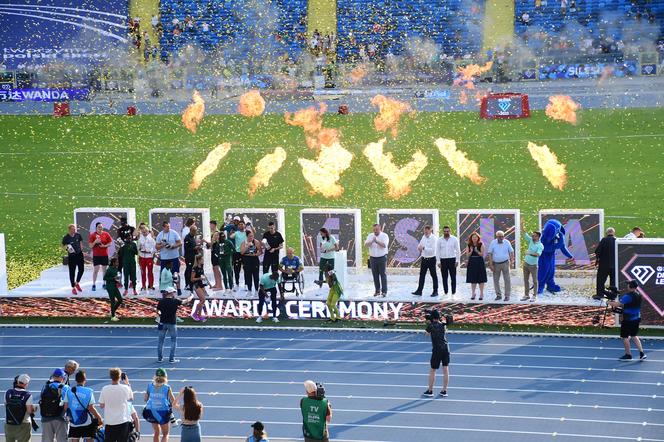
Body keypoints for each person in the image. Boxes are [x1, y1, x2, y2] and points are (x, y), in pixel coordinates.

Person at [609, 280, 647, 361]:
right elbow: (628, 304)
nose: (627, 286)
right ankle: (642, 353)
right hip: (636, 318)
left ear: (630, 286)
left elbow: (617, 304)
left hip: (628, 320)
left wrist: (608, 302)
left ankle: (628, 355)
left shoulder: (628, 296)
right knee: (634, 335)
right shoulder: (639, 294)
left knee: (625, 337)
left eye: (628, 284)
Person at [63, 370, 103, 442]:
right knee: (89, 439)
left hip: (74, 422)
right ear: (85, 380)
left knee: (74, 440)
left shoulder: (69, 391)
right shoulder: (89, 391)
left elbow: (65, 407)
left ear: (75, 380)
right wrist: (99, 417)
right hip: (87, 421)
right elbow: (91, 408)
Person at [157, 286, 194, 363]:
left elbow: (158, 311)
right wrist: (191, 296)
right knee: (173, 341)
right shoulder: (175, 301)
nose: (175, 293)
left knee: (161, 341)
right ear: (171, 293)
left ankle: (160, 358)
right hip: (172, 323)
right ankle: (171, 359)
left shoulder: (161, 301)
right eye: (174, 292)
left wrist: (161, 315)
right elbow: (185, 301)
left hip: (162, 322)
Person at [98, 368, 134, 442]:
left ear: (111, 377)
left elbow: (101, 405)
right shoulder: (125, 388)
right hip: (123, 421)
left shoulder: (105, 389)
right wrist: (127, 383)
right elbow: (131, 398)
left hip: (110, 422)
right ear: (120, 377)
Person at [143, 368, 176, 442]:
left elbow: (145, 399)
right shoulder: (167, 387)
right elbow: (173, 401)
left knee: (156, 432)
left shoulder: (149, 385)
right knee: (165, 434)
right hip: (163, 413)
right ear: (165, 377)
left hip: (152, 412)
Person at [423, 310, 450, 398]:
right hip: (446, 348)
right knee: (445, 370)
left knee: (433, 370)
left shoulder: (430, 326)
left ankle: (430, 390)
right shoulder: (443, 325)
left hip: (437, 350)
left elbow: (426, 334)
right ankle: (444, 390)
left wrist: (429, 322)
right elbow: (444, 325)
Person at [40, 369, 70, 442]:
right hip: (60, 417)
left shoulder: (45, 386)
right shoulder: (65, 388)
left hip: (46, 417)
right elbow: (68, 403)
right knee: (62, 440)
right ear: (61, 377)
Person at [5, 373, 34, 442]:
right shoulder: (27, 395)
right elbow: (29, 411)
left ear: (17, 382)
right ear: (26, 384)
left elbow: (6, 405)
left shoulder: (8, 392)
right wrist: (34, 409)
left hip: (9, 423)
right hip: (23, 424)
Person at [156, 222, 182, 295]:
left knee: (175, 273)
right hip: (164, 258)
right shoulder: (160, 235)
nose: (168, 228)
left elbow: (180, 243)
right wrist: (162, 245)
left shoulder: (174, 233)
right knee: (164, 273)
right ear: (163, 227)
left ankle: (178, 288)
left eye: (169, 226)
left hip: (174, 256)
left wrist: (173, 246)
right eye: (167, 227)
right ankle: (163, 288)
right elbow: (156, 247)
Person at [487, 231, 514, 301]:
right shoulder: (493, 242)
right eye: (500, 237)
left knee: (507, 280)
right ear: (497, 237)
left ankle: (507, 296)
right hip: (496, 264)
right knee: (496, 280)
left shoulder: (507, 242)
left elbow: (511, 252)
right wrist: (490, 264)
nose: (502, 238)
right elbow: (489, 253)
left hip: (505, 263)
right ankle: (498, 295)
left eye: (502, 236)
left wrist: (512, 261)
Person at [412, 225, 438, 297]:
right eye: (425, 231)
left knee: (433, 275)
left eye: (427, 231)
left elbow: (433, 250)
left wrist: (423, 248)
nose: (426, 232)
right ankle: (419, 291)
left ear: (430, 230)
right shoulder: (423, 237)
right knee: (422, 275)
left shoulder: (434, 239)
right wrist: (419, 247)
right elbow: (420, 245)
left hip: (431, 259)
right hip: (424, 258)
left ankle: (435, 291)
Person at [364, 224, 389, 297]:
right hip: (372, 258)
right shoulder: (370, 235)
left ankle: (384, 291)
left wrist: (376, 241)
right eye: (374, 230)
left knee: (383, 275)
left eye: (376, 230)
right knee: (375, 275)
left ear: (380, 229)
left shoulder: (384, 235)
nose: (375, 231)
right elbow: (366, 245)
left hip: (382, 257)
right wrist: (371, 241)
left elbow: (385, 245)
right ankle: (377, 290)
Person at [436, 226, 460, 297]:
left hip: (452, 259)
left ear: (450, 231)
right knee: (444, 277)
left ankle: (453, 292)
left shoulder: (454, 239)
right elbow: (437, 251)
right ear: (443, 232)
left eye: (447, 231)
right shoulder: (439, 240)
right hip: (443, 260)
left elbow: (458, 251)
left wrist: (457, 260)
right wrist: (438, 262)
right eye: (445, 231)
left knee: (453, 277)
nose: (446, 232)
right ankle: (445, 292)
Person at [89, 222, 112, 292]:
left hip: (104, 255)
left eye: (101, 227)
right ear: (96, 228)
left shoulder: (106, 234)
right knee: (96, 270)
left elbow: (110, 243)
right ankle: (93, 284)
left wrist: (104, 246)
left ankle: (104, 283)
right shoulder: (93, 235)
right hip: (96, 255)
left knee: (104, 270)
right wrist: (95, 242)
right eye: (99, 227)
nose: (100, 228)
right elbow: (90, 246)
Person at [522, 229, 544, 302]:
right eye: (532, 235)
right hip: (526, 263)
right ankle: (526, 295)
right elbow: (524, 233)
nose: (532, 237)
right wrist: (522, 225)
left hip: (533, 265)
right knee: (526, 280)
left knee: (534, 281)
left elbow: (538, 254)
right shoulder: (531, 241)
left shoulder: (540, 245)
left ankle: (534, 295)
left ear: (538, 237)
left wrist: (529, 253)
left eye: (534, 236)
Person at [62, 224, 84, 295]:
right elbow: (62, 247)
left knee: (81, 270)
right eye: (73, 229)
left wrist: (81, 249)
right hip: (72, 256)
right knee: (72, 272)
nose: (74, 230)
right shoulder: (66, 238)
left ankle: (77, 283)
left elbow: (81, 243)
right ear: (69, 230)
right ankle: (73, 287)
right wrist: (67, 248)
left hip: (79, 254)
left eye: (75, 229)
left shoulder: (78, 235)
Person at [595, 227, 616, 298]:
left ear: (606, 233)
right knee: (613, 281)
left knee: (601, 280)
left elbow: (597, 251)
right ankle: (613, 295)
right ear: (613, 233)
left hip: (604, 265)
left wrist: (598, 258)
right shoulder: (616, 240)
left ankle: (600, 294)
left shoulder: (604, 240)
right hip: (614, 265)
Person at [466, 232, 487, 300]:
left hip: (479, 262)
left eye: (475, 237)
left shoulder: (481, 244)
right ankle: (473, 293)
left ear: (478, 238)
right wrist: (471, 251)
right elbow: (467, 255)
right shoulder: (469, 245)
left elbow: (482, 254)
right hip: (472, 262)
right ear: (471, 238)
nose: (474, 238)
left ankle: (481, 293)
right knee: (473, 279)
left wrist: (476, 251)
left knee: (481, 278)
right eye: (473, 237)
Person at [241, 230, 263, 294]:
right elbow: (242, 252)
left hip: (254, 259)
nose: (251, 238)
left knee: (256, 275)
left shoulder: (256, 242)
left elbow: (261, 251)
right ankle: (249, 289)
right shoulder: (244, 243)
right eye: (250, 236)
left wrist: (256, 254)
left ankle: (256, 289)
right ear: (247, 237)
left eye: (252, 236)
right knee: (248, 275)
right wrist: (247, 246)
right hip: (247, 259)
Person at [138, 224, 156, 293]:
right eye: (143, 232)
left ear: (148, 232)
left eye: (145, 232)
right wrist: (140, 249)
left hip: (149, 257)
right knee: (143, 272)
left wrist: (149, 251)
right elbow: (138, 247)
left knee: (150, 272)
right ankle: (143, 286)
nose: (144, 233)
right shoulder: (140, 239)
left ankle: (151, 285)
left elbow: (154, 249)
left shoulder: (151, 239)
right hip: (142, 256)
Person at [190, 254, 209, 322]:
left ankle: (199, 315)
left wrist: (209, 284)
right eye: (202, 259)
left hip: (201, 285)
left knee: (202, 300)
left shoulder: (201, 267)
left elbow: (203, 276)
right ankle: (195, 314)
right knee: (203, 300)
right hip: (196, 285)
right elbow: (192, 279)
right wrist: (200, 278)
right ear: (199, 260)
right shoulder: (194, 268)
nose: (203, 261)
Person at [104, 257, 123, 322]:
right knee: (113, 301)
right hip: (110, 287)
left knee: (120, 300)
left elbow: (117, 278)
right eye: (117, 262)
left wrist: (118, 280)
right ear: (113, 263)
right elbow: (105, 278)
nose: (118, 263)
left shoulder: (116, 269)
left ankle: (112, 312)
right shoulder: (109, 269)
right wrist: (113, 278)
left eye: (118, 262)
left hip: (114, 286)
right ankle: (112, 316)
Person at [230, 220, 247, 290]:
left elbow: (253, 234)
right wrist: (231, 233)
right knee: (237, 269)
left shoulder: (247, 232)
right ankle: (237, 283)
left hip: (245, 253)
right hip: (237, 253)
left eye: (242, 224)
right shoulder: (236, 233)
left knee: (246, 269)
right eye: (239, 224)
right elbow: (231, 237)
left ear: (244, 225)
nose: (241, 225)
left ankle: (246, 283)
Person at [183, 225, 199, 294]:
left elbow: (193, 246)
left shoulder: (193, 237)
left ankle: (192, 284)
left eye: (196, 231)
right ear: (191, 231)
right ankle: (188, 284)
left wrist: (197, 248)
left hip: (193, 257)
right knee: (189, 270)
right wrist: (194, 248)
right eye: (194, 231)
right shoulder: (187, 238)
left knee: (192, 270)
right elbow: (187, 249)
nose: (195, 232)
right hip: (189, 257)